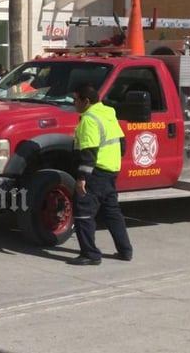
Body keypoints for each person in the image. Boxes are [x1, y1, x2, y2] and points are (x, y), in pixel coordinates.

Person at [68, 83, 133, 265]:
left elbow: (89, 152)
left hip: (95, 173)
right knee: (112, 211)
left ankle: (90, 254)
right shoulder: (108, 113)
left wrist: (82, 178)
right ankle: (125, 250)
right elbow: (122, 144)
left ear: (86, 101)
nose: (74, 103)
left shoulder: (89, 119)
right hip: (111, 170)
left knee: (83, 212)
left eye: (76, 99)